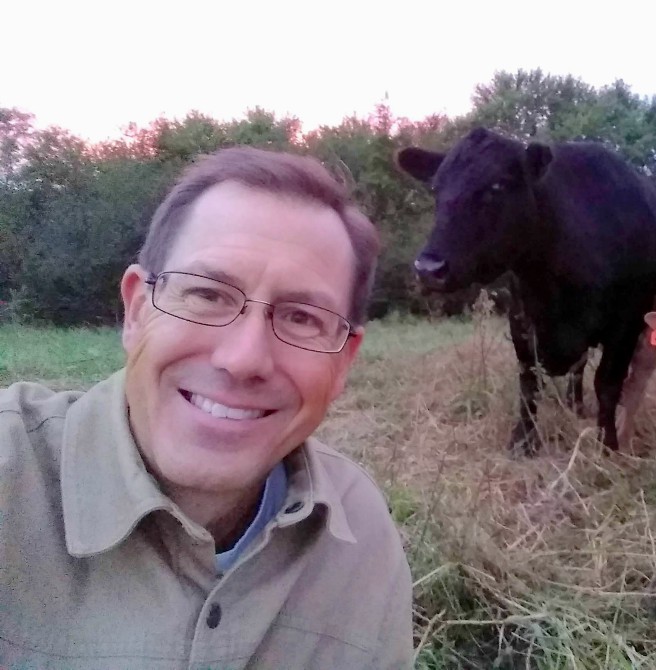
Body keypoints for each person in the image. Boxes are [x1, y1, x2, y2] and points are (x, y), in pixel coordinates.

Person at [0, 147, 413, 668]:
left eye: (303, 318)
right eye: (208, 294)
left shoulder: (361, 536)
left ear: (344, 361)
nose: (243, 360)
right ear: (136, 310)